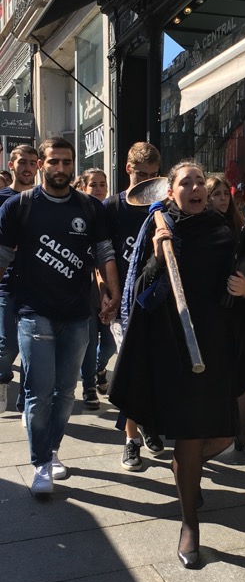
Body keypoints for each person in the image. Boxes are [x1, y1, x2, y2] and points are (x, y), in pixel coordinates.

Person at [109, 159, 245, 568]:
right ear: (171, 193)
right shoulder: (162, 230)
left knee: (222, 436)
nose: (194, 188)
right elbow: (142, 289)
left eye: (199, 182)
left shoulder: (223, 230)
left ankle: (185, 474)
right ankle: (190, 523)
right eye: (185, 183)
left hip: (218, 348)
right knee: (191, 437)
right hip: (178, 349)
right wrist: (158, 256)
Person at [0, 137, 120, 495]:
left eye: (67, 162)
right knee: (38, 392)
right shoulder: (19, 206)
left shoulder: (89, 207)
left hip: (77, 314)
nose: (61, 169)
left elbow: (104, 252)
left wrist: (112, 292)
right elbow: (2, 255)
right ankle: (40, 463)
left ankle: (52, 451)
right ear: (41, 165)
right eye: (54, 162)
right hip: (33, 312)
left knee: (66, 392)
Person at [103, 141, 164, 470]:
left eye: (153, 175)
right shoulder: (113, 207)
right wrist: (106, 292)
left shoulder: (162, 206)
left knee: (153, 367)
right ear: (128, 169)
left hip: (156, 300)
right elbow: (102, 255)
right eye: (141, 174)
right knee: (130, 368)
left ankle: (148, 422)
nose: (147, 181)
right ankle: (131, 439)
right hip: (123, 303)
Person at [206, 173, 245, 460]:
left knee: (242, 376)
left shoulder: (241, 229)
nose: (222, 199)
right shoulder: (199, 229)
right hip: (209, 316)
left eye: (225, 193)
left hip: (237, 315)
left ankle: (243, 435)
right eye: (216, 194)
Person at [74, 168, 117, 407]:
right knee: (89, 342)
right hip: (88, 289)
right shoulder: (81, 215)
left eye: (103, 184)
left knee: (110, 343)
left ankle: (100, 369)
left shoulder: (111, 213)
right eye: (93, 185)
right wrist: (101, 290)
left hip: (111, 286)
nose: (99, 189)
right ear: (83, 187)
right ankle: (89, 387)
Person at [0, 145, 37, 416]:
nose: (28, 167)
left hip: (36, 284)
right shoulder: (2, 199)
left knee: (32, 347)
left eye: (32, 163)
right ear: (11, 165)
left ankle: (26, 402)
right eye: (22, 162)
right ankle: (2, 380)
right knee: (8, 345)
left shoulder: (44, 198)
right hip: (5, 282)